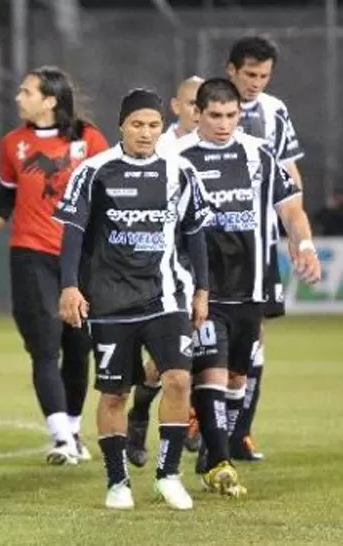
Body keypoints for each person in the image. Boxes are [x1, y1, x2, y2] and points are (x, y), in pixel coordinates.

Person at [55, 88, 213, 510]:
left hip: (166, 295)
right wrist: (69, 285)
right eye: (138, 124)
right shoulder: (94, 171)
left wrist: (202, 289)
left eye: (154, 125)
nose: (146, 132)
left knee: (178, 378)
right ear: (121, 126)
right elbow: (71, 232)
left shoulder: (180, 172)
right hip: (110, 300)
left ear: (163, 128)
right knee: (114, 394)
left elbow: (195, 233)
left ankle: (168, 474)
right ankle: (117, 481)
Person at [177, 78, 320, 495]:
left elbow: (290, 208)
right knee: (212, 371)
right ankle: (219, 462)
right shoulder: (178, 158)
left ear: (241, 115)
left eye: (232, 116)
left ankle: (210, 441)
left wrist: (305, 245)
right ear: (197, 114)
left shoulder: (259, 155)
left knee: (238, 377)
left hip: (253, 284)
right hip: (203, 287)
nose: (224, 124)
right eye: (216, 116)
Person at [0, 66, 106, 464]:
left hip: (79, 256)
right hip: (30, 254)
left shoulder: (89, 139)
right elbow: (5, 201)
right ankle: (61, 437)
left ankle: (75, 428)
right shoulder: (13, 143)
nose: (18, 97)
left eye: (26, 91)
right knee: (45, 347)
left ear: (50, 100)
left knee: (79, 347)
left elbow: (103, 198)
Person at [225, 35, 304, 461]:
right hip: (208, 243)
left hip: (257, 244)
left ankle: (240, 432)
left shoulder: (275, 112)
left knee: (253, 335)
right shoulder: (208, 105)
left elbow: (291, 174)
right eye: (250, 74)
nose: (256, 83)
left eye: (264, 76)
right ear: (231, 70)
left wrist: (296, 234)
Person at [128, 74, 206, 467]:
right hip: (161, 270)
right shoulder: (158, 146)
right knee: (166, 361)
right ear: (176, 106)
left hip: (209, 262)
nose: (198, 110)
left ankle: (197, 428)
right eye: (192, 103)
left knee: (207, 357)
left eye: (203, 103)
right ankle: (142, 413)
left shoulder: (227, 145)